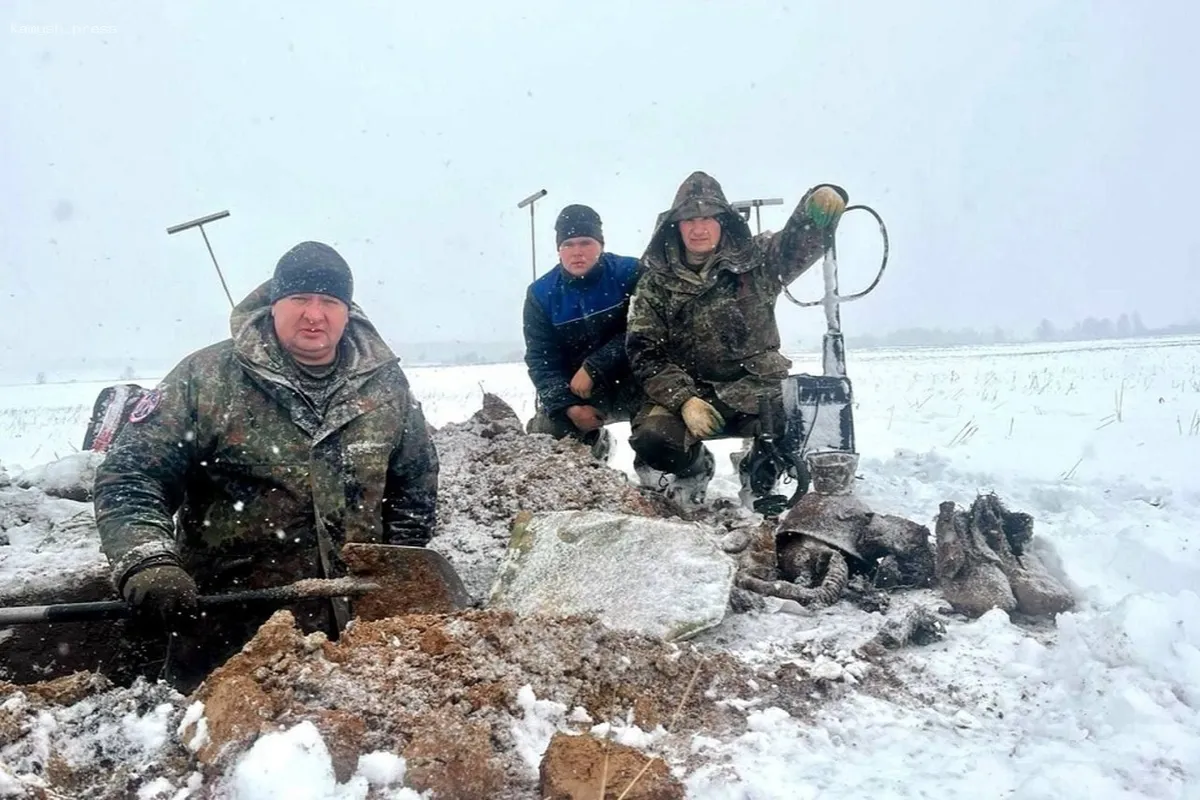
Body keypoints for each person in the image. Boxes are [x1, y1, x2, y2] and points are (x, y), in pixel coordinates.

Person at [92, 241, 438, 690]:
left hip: (355, 643)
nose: (314, 315)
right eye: (300, 299)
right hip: (227, 638)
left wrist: (396, 572)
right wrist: (148, 560)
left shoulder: (385, 384)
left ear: (347, 311)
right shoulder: (205, 378)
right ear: (273, 303)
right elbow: (131, 476)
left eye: (329, 302)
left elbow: (414, 484)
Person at [626, 171, 848, 509]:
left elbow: (799, 243)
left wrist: (819, 202)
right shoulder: (654, 282)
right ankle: (694, 468)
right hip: (691, 391)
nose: (699, 229)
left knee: (804, 414)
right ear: (676, 226)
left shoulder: (759, 260)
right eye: (689, 220)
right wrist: (684, 400)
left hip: (757, 387)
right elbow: (644, 351)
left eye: (708, 218)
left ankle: (760, 475)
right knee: (653, 439)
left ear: (723, 221)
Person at [523, 204, 644, 462]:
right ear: (558, 249)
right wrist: (569, 407)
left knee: (660, 434)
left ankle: (685, 469)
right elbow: (541, 359)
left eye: (586, 243)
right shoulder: (541, 294)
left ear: (601, 244)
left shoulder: (630, 272)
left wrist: (594, 367)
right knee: (547, 436)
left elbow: (642, 332)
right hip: (581, 392)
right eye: (568, 244)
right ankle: (593, 448)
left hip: (639, 382)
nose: (577, 252)